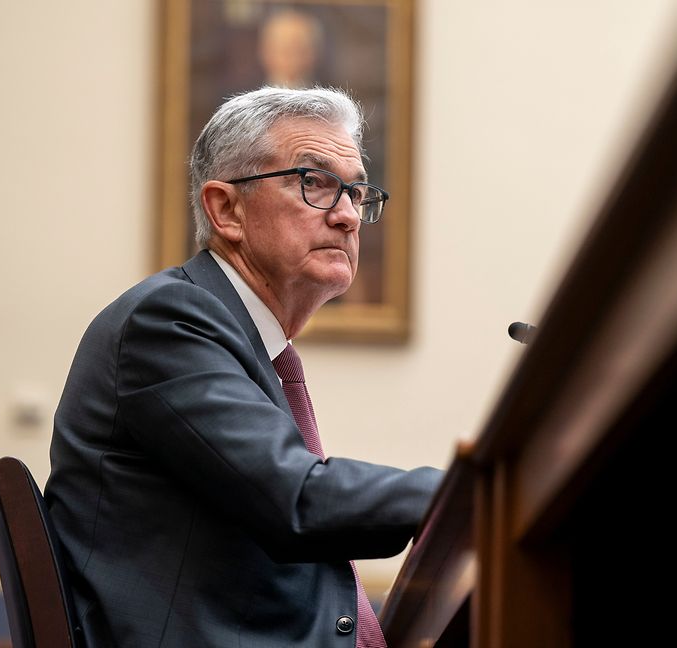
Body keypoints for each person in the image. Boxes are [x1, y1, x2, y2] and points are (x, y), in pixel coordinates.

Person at [44, 86, 443, 647]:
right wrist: (472, 494)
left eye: (355, 192)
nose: (350, 216)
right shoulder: (169, 322)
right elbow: (295, 498)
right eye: (316, 184)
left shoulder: (244, 340)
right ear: (226, 209)